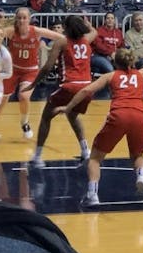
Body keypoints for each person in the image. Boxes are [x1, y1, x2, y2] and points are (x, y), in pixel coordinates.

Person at [56, 49, 143, 205]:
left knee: (95, 158)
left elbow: (87, 90)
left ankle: (92, 195)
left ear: (115, 63)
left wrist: (68, 107)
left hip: (119, 116)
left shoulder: (110, 76)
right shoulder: (142, 74)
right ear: (132, 61)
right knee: (137, 156)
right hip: (139, 117)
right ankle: (141, 176)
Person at [23, 15, 98, 167]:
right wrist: (88, 25)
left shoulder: (62, 42)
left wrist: (33, 84)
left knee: (45, 118)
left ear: (67, 28)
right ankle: (85, 152)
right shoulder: (87, 39)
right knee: (72, 115)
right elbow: (94, 32)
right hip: (87, 87)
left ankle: (37, 157)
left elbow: (47, 67)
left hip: (69, 86)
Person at [0, 9, 64, 139]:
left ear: (29, 19)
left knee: (24, 96)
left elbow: (59, 37)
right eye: (19, 18)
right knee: (2, 100)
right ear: (16, 19)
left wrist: (74, 41)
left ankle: (24, 122)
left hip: (30, 71)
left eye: (24, 18)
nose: (22, 20)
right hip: (13, 70)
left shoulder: (36, 31)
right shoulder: (10, 31)